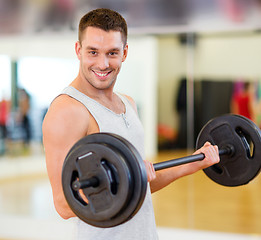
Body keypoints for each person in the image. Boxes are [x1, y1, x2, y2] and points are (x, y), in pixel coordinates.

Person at [42, 8, 220, 240]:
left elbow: (139, 185)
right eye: (93, 52)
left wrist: (194, 163)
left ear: (125, 53)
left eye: (112, 53)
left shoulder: (128, 104)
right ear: (79, 50)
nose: (103, 63)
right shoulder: (67, 110)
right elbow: (64, 205)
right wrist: (122, 179)